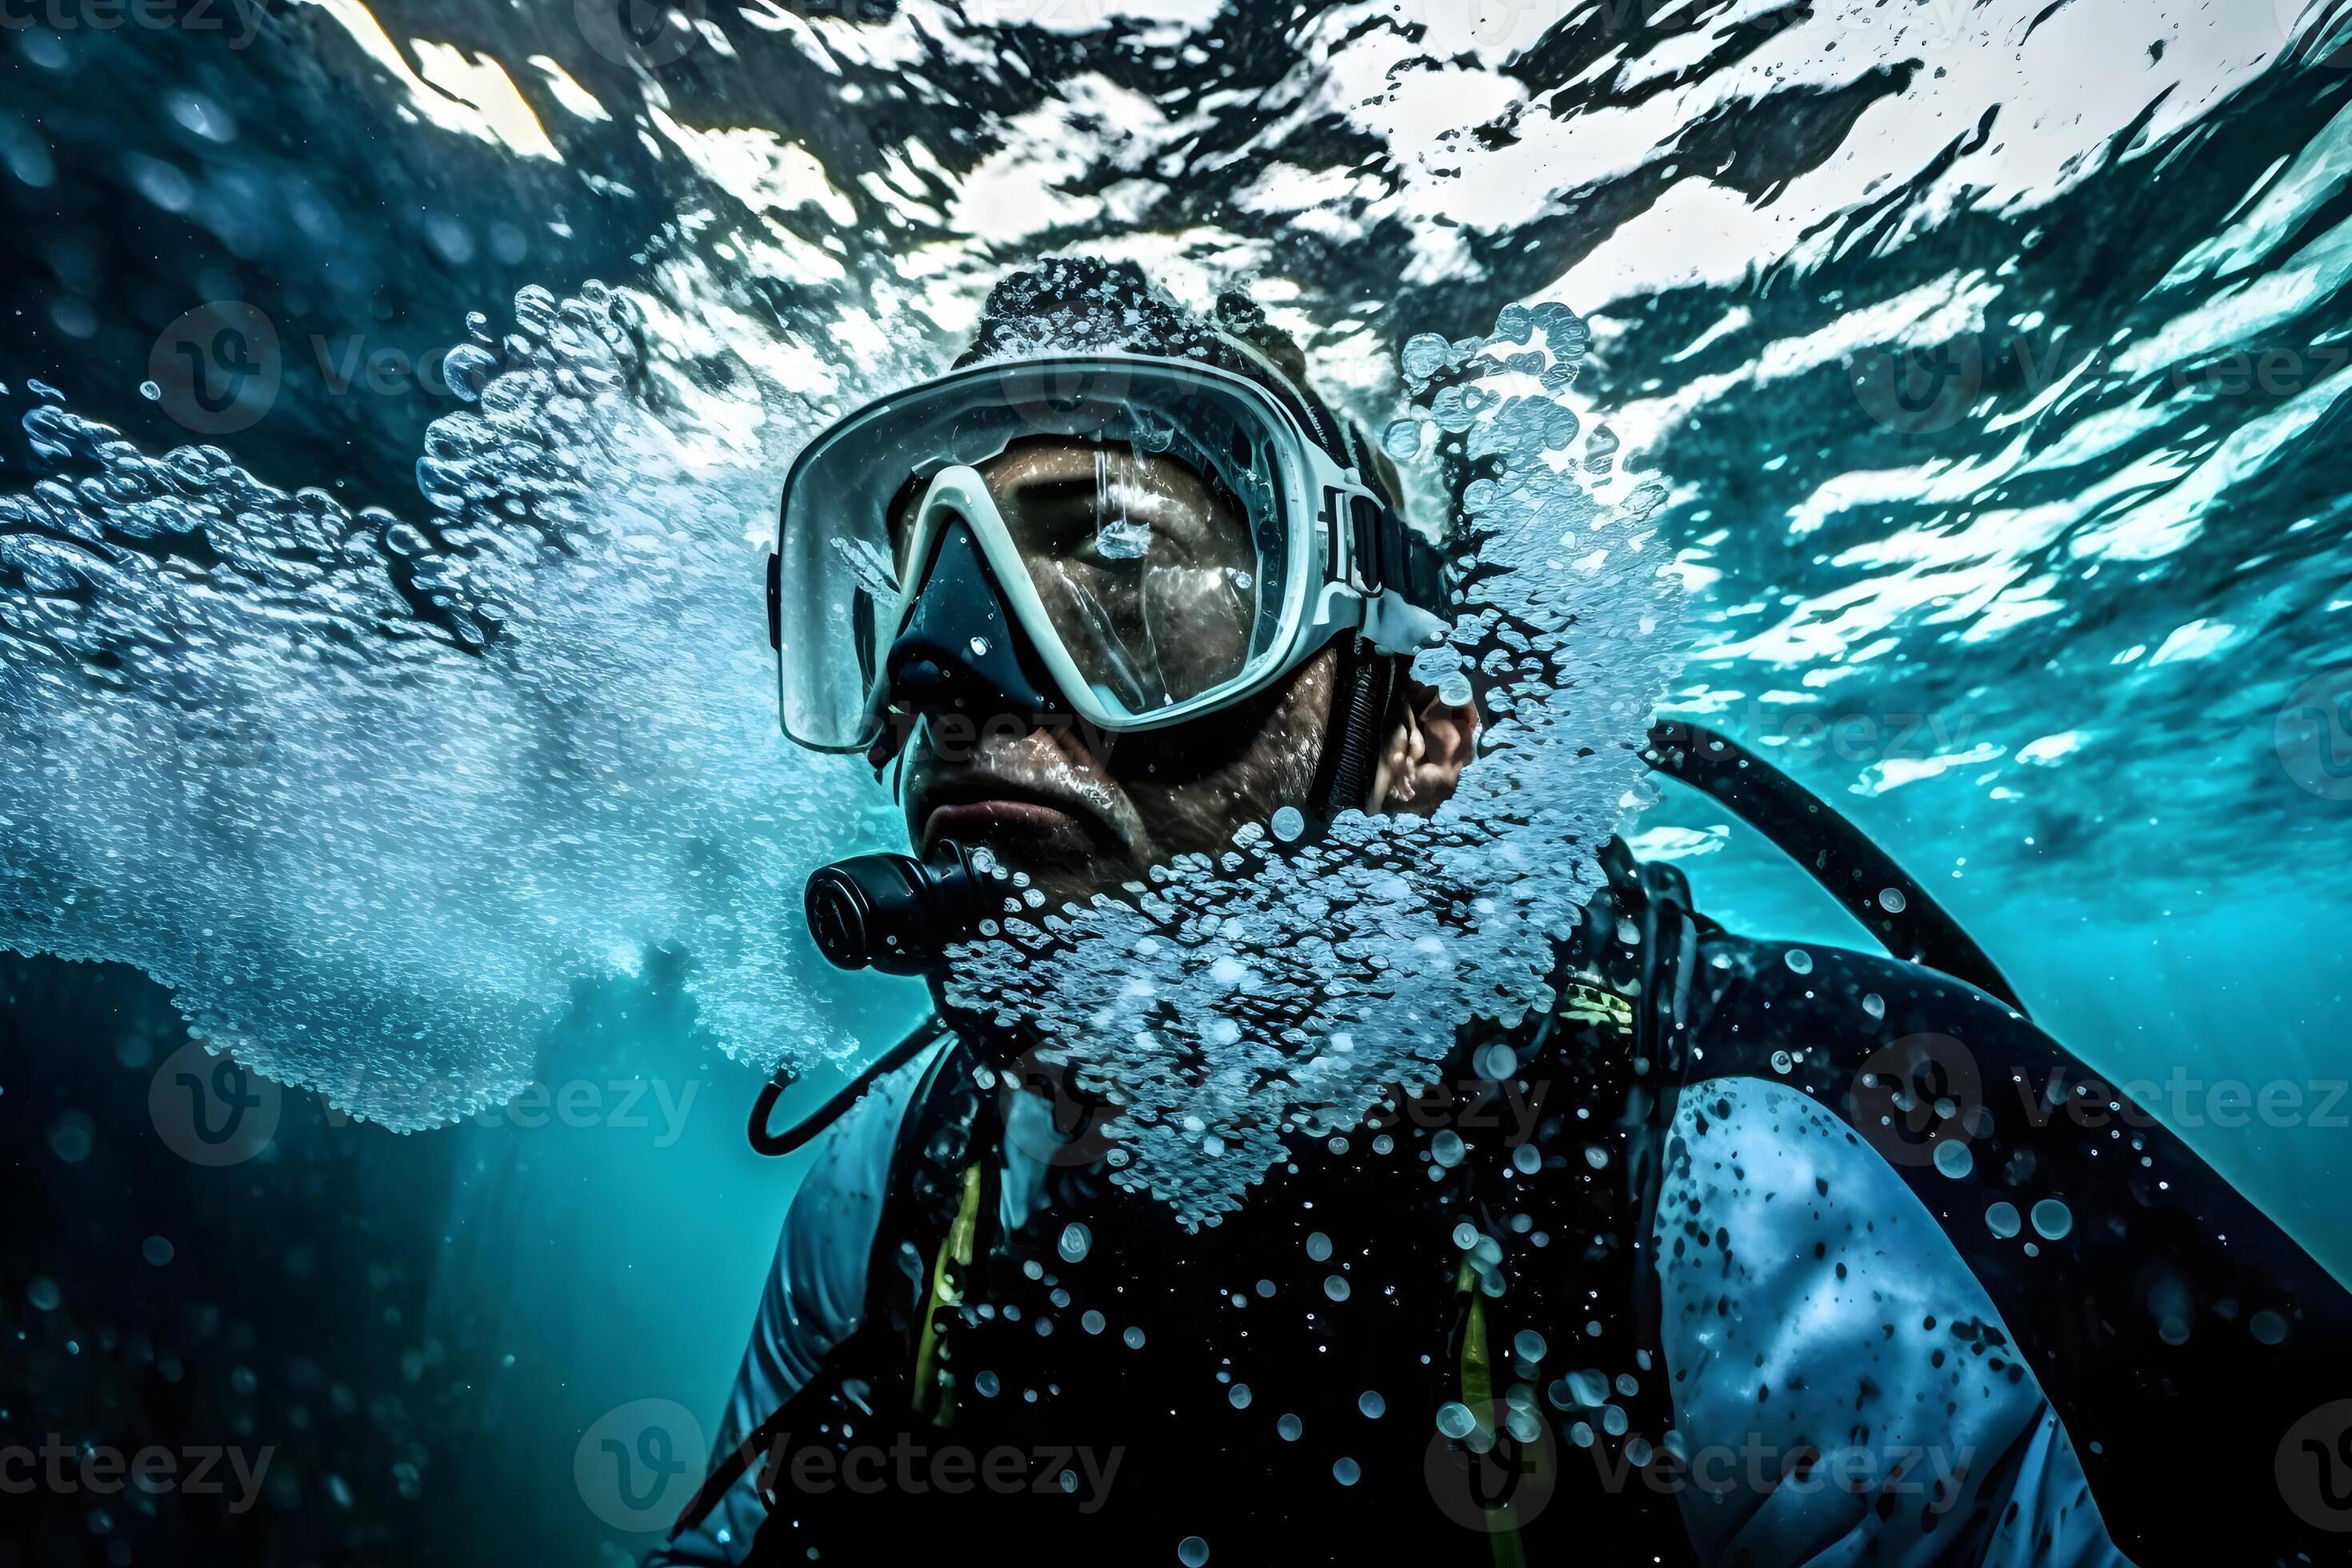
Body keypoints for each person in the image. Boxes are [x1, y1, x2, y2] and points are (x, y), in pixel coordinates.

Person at [653, 258, 2350, 1567]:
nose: (954, 665)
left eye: (1109, 550)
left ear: (1421, 729)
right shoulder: (894, 1190)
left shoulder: (1760, 1167)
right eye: (913, 581)